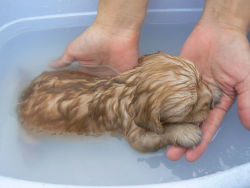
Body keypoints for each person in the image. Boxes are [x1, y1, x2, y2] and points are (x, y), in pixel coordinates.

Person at [50, 0, 250, 161]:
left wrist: (226, 25)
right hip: (52, 114)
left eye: (198, 81)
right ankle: (27, 140)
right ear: (150, 120)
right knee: (38, 129)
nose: (208, 95)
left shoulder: (144, 87)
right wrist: (170, 134)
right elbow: (139, 140)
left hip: (67, 89)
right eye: (192, 104)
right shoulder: (138, 118)